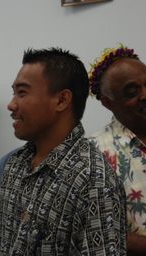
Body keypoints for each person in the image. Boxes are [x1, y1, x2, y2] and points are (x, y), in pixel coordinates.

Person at [0, 48, 127, 255]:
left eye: (22, 92)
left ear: (62, 100)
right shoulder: (13, 165)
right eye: (14, 92)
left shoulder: (94, 181)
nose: (11, 104)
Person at [89, 45, 146, 256]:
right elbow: (94, 230)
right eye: (132, 92)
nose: (144, 94)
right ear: (107, 102)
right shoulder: (92, 153)